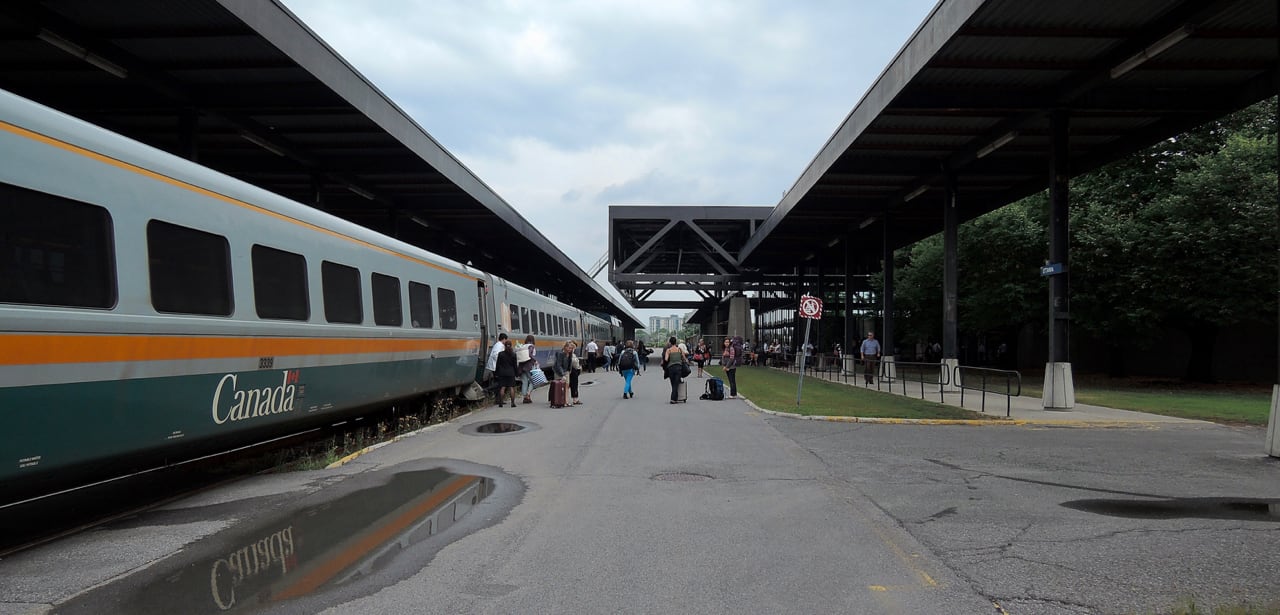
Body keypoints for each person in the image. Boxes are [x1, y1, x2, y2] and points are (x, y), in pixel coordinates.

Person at [553, 341, 584, 406]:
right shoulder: (560, 354)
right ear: (565, 347)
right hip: (559, 372)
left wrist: (569, 371)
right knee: (561, 386)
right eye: (569, 348)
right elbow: (558, 365)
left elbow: (569, 363)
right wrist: (562, 374)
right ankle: (560, 401)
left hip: (566, 371)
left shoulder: (570, 354)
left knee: (566, 386)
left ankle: (566, 402)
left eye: (572, 348)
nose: (571, 350)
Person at [494, 339, 518, 407]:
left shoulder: (501, 354)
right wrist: (516, 373)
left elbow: (498, 364)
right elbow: (515, 365)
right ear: (511, 346)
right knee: (511, 388)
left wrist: (496, 373)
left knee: (502, 387)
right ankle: (513, 403)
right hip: (511, 373)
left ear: (504, 346)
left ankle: (500, 402)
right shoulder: (513, 354)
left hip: (502, 373)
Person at [663, 336, 687, 404]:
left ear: (670, 342)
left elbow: (666, 359)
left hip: (671, 368)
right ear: (675, 342)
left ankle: (673, 399)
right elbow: (684, 358)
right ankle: (675, 398)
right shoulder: (679, 349)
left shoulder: (668, 350)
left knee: (673, 383)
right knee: (676, 383)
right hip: (679, 368)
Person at [518, 334, 537, 403]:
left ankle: (524, 397)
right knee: (533, 381)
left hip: (521, 367)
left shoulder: (522, 346)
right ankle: (528, 395)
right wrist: (535, 361)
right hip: (529, 367)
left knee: (524, 382)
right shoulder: (531, 346)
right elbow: (530, 354)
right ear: (532, 340)